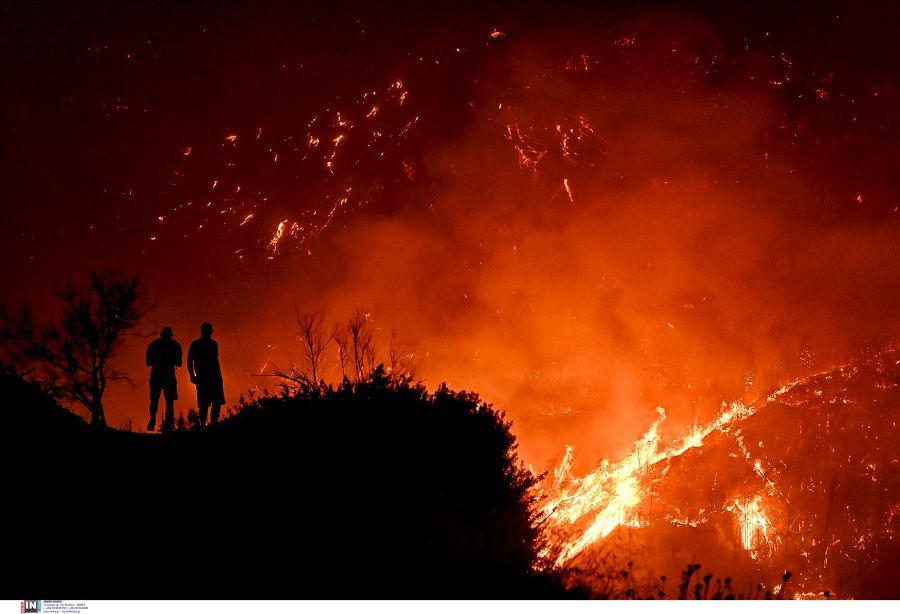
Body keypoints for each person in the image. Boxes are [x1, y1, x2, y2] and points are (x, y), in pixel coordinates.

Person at [187, 321, 225, 428]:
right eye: (208, 330)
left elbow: (213, 361)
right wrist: (191, 374)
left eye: (210, 330)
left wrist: (192, 375)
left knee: (214, 402)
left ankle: (212, 424)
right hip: (205, 377)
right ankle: (205, 426)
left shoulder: (213, 344)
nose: (210, 332)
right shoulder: (197, 344)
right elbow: (189, 360)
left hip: (213, 376)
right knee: (205, 404)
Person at [146, 326, 183, 432]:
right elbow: (179, 363)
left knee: (155, 401)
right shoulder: (175, 345)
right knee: (169, 402)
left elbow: (148, 362)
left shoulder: (153, 345)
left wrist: (158, 360)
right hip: (168, 375)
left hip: (157, 375)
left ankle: (154, 419)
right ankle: (167, 426)